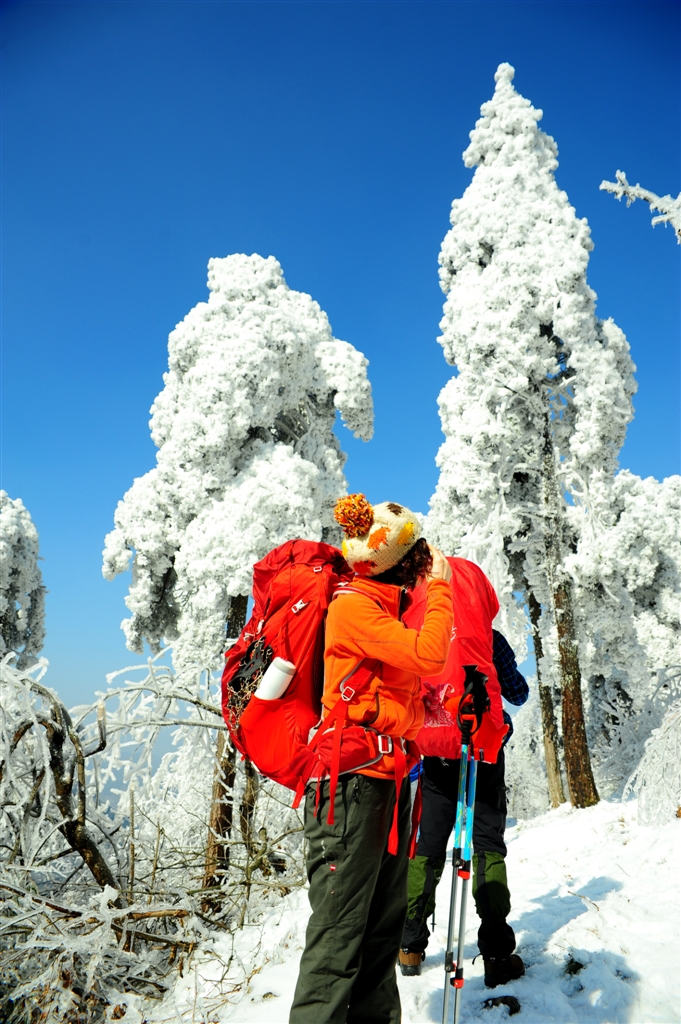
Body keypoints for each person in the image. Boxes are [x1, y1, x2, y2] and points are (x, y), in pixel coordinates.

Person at [289, 494, 454, 1024]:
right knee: (339, 941)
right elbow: (429, 652)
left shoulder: (383, 610)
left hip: (384, 786)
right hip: (350, 788)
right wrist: (444, 589)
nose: (422, 568)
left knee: (381, 937)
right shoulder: (354, 606)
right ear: (400, 564)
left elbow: (383, 701)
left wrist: (418, 711)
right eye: (418, 559)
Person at [398, 557, 529, 990]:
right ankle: (495, 952)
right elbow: (519, 693)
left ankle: (411, 945)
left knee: (428, 846)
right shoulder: (489, 639)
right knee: (487, 844)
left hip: (437, 756)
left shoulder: (423, 636)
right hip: (484, 755)